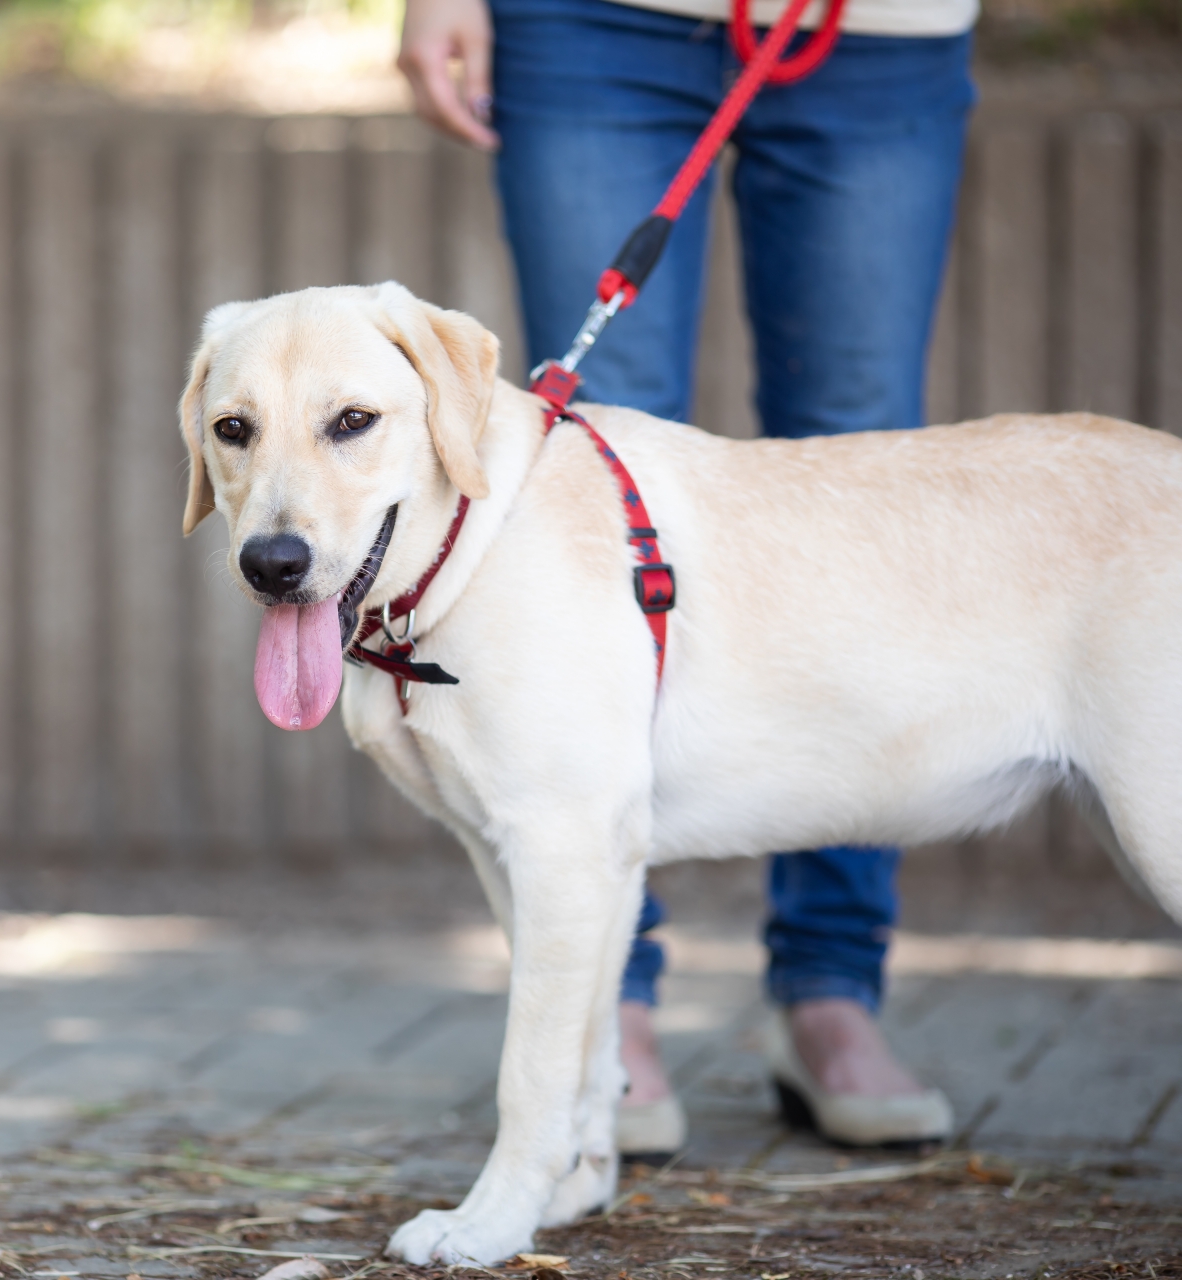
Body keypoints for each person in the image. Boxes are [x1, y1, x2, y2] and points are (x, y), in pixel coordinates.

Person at [396, 0, 974, 1150]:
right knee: (590, 474)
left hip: (885, 28)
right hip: (593, 22)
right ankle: (612, 1014)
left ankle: (830, 988)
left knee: (859, 471)